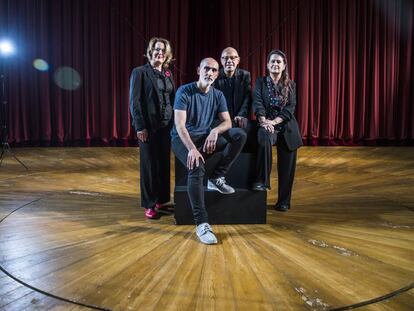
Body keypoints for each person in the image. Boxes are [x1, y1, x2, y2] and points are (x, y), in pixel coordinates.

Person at [172, 58, 247, 244]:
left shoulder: (218, 95)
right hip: (182, 138)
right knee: (196, 166)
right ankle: (201, 223)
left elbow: (228, 122)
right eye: (207, 69)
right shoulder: (185, 91)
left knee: (239, 135)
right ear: (198, 70)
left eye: (214, 70)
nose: (210, 73)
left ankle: (216, 178)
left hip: (205, 135)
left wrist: (214, 131)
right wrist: (192, 150)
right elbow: (179, 125)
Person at [129, 37, 175, 219]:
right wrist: (140, 127)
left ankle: (161, 200)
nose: (160, 53)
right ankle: (149, 204)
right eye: (157, 49)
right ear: (150, 51)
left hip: (166, 127)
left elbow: (172, 99)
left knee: (163, 164)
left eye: (163, 50)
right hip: (148, 128)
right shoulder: (140, 72)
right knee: (149, 166)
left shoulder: (168, 74)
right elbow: (135, 102)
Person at [252, 50, 302, 212]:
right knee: (264, 137)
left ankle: (284, 202)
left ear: (284, 65)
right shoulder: (260, 82)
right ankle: (262, 181)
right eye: (272, 61)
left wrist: (274, 122)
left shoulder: (291, 84)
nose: (275, 64)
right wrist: (263, 121)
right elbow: (257, 103)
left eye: (279, 62)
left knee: (287, 167)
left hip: (286, 126)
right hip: (266, 124)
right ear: (267, 65)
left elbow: (290, 109)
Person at [214, 47, 255, 151]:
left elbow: (247, 98)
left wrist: (242, 115)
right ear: (221, 60)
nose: (229, 61)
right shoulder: (215, 75)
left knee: (252, 132)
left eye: (232, 58)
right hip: (221, 119)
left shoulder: (245, 75)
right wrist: (224, 119)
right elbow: (213, 101)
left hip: (239, 118)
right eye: (225, 58)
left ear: (238, 60)